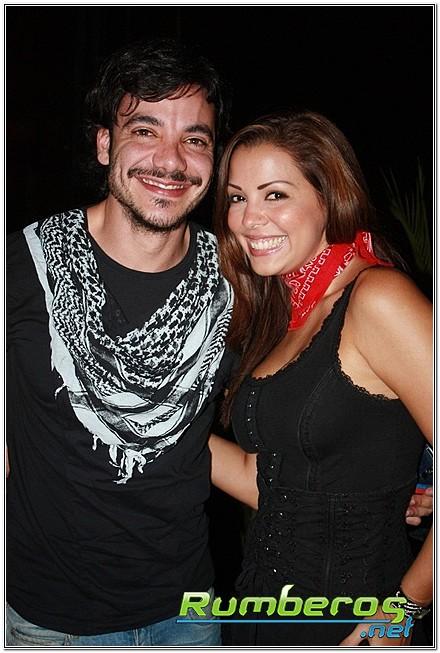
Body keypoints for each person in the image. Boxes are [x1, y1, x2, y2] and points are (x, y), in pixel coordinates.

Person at [6, 38, 235, 646]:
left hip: (189, 614)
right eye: (145, 130)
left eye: (195, 139)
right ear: (105, 143)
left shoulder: (237, 281)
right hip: (51, 624)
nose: (171, 161)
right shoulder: (22, 265)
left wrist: (393, 482)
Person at [209, 110, 432, 646]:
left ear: (330, 199)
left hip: (355, 623)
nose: (248, 219)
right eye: (237, 197)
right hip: (265, 611)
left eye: (275, 195)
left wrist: (404, 611)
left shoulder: (378, 298)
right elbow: (269, 482)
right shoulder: (286, 314)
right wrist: (151, 427)